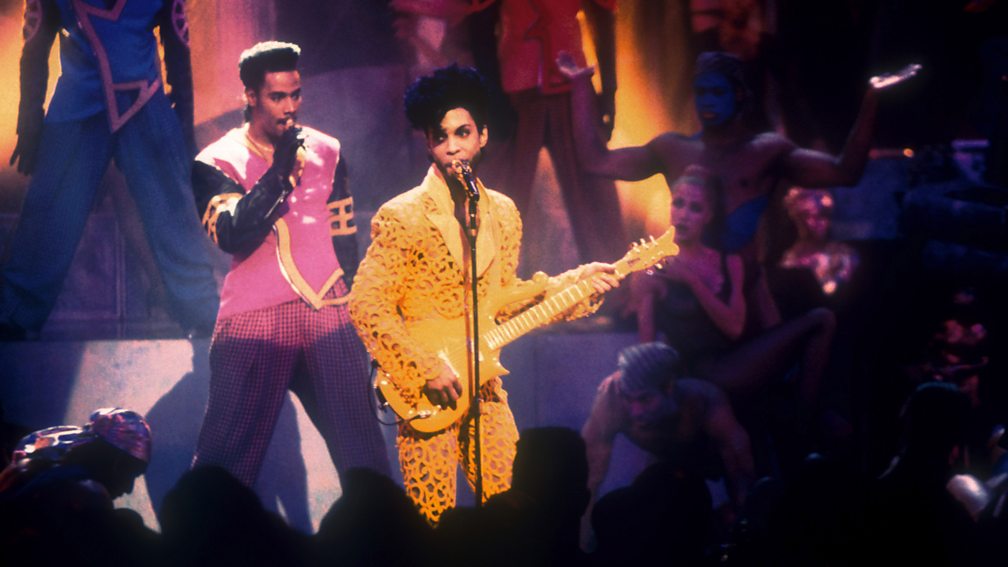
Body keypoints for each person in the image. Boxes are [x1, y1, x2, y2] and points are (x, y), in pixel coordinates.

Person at [349, 64, 621, 524]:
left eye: (463, 133)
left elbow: (505, 299)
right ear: (428, 143)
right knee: (433, 523)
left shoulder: (503, 213)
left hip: (485, 384)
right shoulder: (403, 215)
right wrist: (425, 368)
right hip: (428, 390)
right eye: (441, 136)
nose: (453, 146)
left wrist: (577, 283)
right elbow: (366, 304)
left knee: (511, 508)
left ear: (483, 136)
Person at [559, 49, 919, 330]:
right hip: (687, 295)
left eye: (717, 92)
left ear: (741, 96)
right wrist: (580, 86)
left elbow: (845, 172)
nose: (707, 102)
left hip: (747, 294)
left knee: (817, 328)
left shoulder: (766, 151)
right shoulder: (673, 149)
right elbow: (596, 162)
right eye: (701, 92)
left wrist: (871, 99)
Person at [189, 41, 389, 488]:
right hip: (255, 319)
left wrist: (354, 308)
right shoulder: (215, 161)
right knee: (223, 467)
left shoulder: (328, 150)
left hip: (328, 311)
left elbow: (344, 238)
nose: (290, 107)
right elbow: (230, 234)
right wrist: (279, 175)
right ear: (250, 96)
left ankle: (380, 530)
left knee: (365, 456)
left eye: (295, 94)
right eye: (277, 97)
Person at [1, 0, 219, 340]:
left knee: (174, 209)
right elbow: (36, 41)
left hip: (144, 102)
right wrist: (28, 118)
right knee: (48, 209)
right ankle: (15, 312)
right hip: (79, 104)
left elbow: (177, 42)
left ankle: (202, 311)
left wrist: (183, 124)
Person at [631, 167, 834, 412]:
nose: (683, 215)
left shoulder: (729, 262)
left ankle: (805, 416)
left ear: (708, 216)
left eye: (695, 208)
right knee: (819, 322)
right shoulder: (652, 270)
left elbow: (734, 328)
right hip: (699, 371)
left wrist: (692, 280)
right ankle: (805, 417)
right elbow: (646, 347)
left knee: (822, 319)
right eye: (678, 204)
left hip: (736, 360)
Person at [580, 342, 754, 543]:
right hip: (664, 466)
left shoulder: (703, 399)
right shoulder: (611, 402)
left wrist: (745, 528)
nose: (635, 412)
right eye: (628, 399)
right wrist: (582, 546)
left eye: (644, 399)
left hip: (714, 458)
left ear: (669, 388)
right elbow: (589, 478)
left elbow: (740, 469)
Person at [0, 408, 157, 565]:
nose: (128, 489)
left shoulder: (26, 468)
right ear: (115, 461)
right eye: (130, 473)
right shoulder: (88, 496)